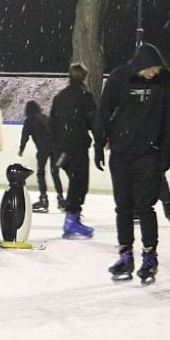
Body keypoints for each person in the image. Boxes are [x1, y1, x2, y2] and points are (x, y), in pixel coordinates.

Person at [95, 42, 170, 283]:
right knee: (122, 207)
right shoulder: (120, 77)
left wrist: (165, 154)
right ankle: (125, 255)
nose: (153, 73)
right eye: (150, 69)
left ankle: (150, 256)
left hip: (148, 155)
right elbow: (104, 111)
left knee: (145, 207)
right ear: (139, 66)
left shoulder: (165, 82)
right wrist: (98, 145)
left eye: (156, 69)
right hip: (120, 153)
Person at [48, 63, 97, 238]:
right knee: (79, 182)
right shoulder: (85, 96)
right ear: (84, 77)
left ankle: (73, 217)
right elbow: (94, 121)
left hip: (61, 149)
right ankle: (71, 220)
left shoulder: (60, 97)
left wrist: (55, 146)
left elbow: (51, 123)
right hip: (76, 147)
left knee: (75, 182)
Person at [19, 99, 63, 213]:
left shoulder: (29, 121)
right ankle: (61, 199)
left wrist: (21, 149)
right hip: (55, 148)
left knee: (41, 173)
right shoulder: (45, 117)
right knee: (55, 172)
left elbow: (25, 136)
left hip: (43, 148)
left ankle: (44, 199)